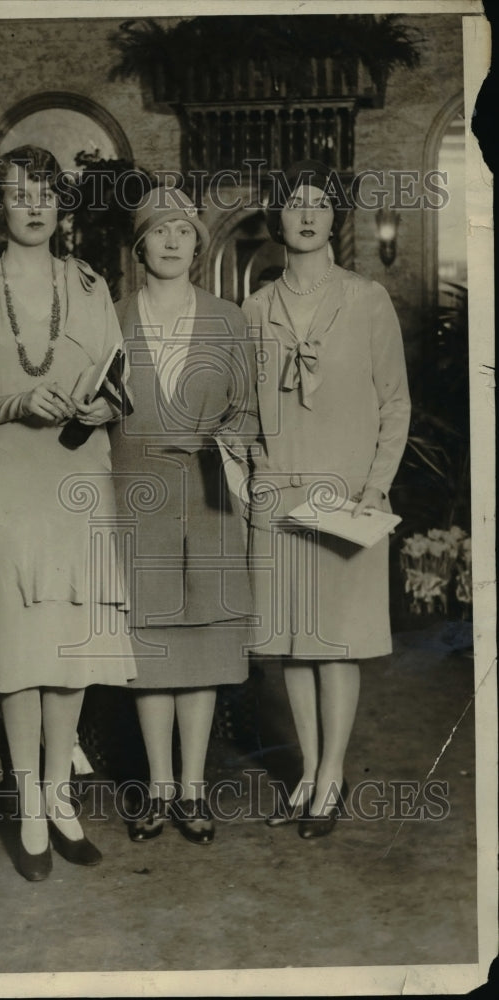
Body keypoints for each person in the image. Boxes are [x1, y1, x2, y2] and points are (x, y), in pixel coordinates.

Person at [0, 145, 135, 881]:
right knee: (20, 655)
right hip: (7, 487)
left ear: (63, 206)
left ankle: (61, 797)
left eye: (45, 194)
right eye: (18, 193)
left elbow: (122, 386)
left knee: (70, 652)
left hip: (77, 481)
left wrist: (100, 404)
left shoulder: (88, 285)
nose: (33, 206)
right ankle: (27, 803)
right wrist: (18, 403)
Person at [242, 159, 411, 838]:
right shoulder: (256, 308)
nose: (307, 215)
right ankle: (309, 771)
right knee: (293, 642)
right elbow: (244, 409)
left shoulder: (367, 300)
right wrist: (254, 464)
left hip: (346, 493)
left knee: (334, 643)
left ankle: (333, 774)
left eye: (319, 204)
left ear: (334, 217)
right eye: (293, 204)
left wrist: (374, 487)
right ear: (277, 218)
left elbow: (394, 404)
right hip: (279, 492)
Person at [109, 185, 257, 845]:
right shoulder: (110, 318)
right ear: (140, 244)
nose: (172, 240)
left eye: (183, 230)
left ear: (198, 244)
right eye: (158, 230)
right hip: (136, 498)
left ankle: (193, 788)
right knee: (152, 645)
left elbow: (249, 409)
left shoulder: (227, 319)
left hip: (210, 496)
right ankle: (158, 787)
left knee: (202, 645)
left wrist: (233, 438)